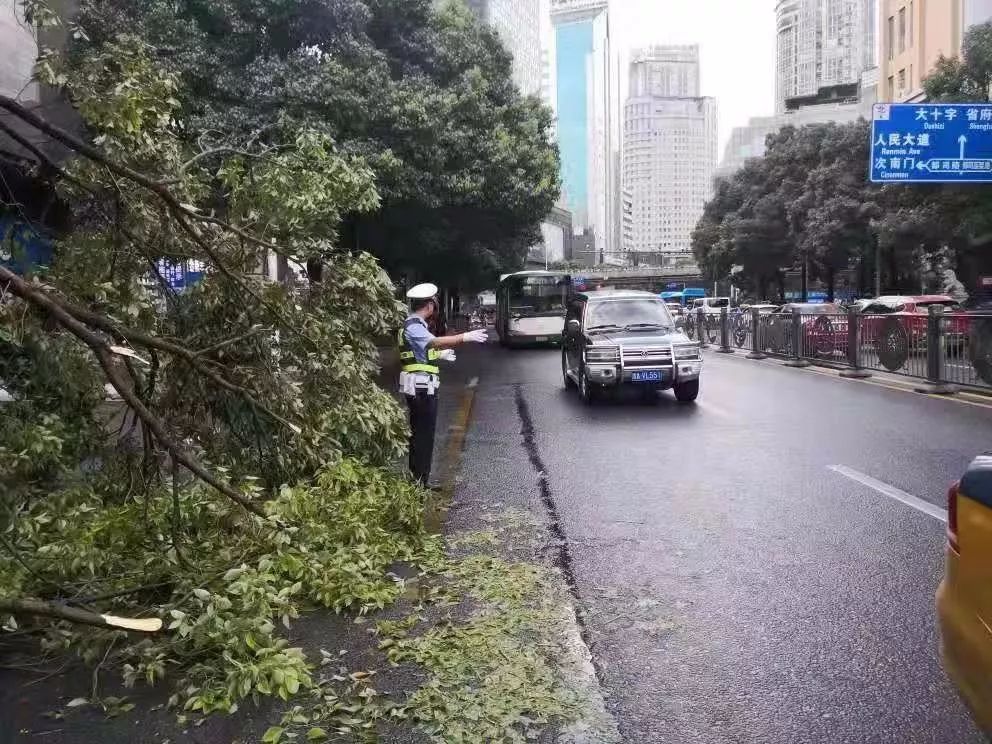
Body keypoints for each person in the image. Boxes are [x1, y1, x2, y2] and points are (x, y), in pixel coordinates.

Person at [399, 283, 487, 487]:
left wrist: (440, 355)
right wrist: (464, 337)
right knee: (423, 436)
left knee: (422, 435)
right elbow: (434, 342)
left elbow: (422, 352)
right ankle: (419, 483)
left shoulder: (413, 325)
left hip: (420, 387)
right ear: (429, 305)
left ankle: (420, 480)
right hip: (421, 390)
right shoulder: (413, 326)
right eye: (434, 304)